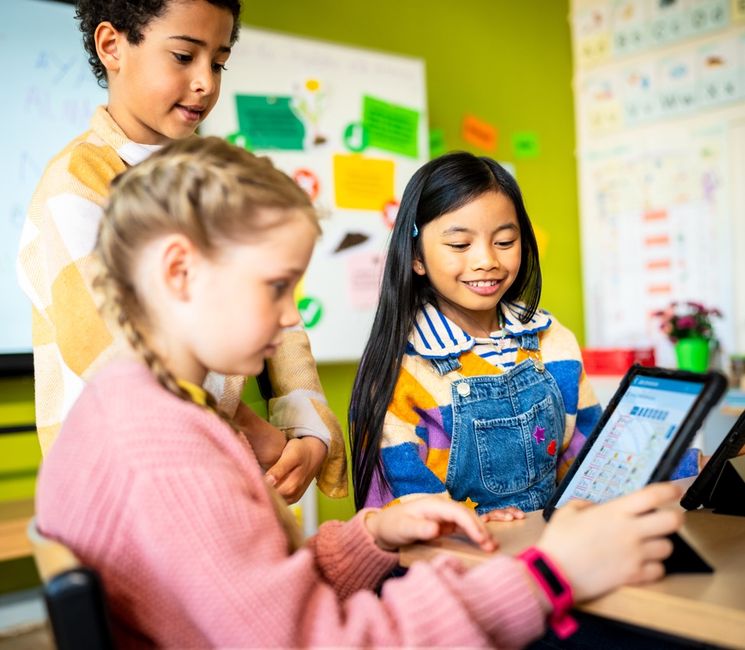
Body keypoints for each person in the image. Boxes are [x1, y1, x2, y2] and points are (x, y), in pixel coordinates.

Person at [36, 137, 684, 648]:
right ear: (179, 271)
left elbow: (255, 597)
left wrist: (372, 533)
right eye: (275, 287)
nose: (293, 317)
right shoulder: (163, 454)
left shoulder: (135, 403)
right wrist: (547, 575)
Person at [16, 0, 346, 501]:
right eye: (183, 56)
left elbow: (278, 312)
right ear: (112, 46)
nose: (206, 84)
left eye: (217, 62)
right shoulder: (74, 187)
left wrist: (307, 428)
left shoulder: (212, 175)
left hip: (230, 480)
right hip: (133, 487)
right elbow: (122, 358)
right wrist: (259, 436)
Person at [349, 152, 700, 513]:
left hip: (555, 552)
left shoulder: (553, 341)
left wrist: (693, 465)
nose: (487, 260)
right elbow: (398, 518)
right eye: (459, 245)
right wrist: (473, 527)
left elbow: (590, 464)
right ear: (416, 256)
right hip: (462, 564)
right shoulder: (398, 373)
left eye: (504, 242)